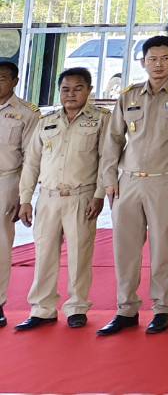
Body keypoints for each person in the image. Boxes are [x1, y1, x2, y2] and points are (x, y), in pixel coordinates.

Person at [96, 35, 168, 336]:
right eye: (152, 59)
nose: (158, 64)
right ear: (143, 62)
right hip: (128, 182)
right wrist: (109, 179)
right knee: (125, 250)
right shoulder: (129, 96)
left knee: (162, 249)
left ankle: (162, 308)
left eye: (165, 58)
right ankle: (125, 309)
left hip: (164, 181)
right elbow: (113, 139)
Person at [15, 67, 106, 331]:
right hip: (48, 197)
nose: (71, 94)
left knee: (79, 255)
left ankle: (77, 307)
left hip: (81, 196)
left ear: (89, 90)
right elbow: (32, 163)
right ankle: (42, 308)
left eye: (78, 89)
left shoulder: (101, 120)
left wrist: (99, 195)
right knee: (44, 254)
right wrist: (25, 199)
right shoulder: (47, 121)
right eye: (65, 89)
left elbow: (106, 160)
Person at [0, 58, 41, 329]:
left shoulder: (27, 113)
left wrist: (23, 196)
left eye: (2, 78)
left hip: (6, 181)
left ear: (15, 82)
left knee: (1, 244)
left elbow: (31, 159)